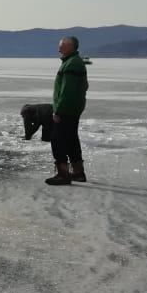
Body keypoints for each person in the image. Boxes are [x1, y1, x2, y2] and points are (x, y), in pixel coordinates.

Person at [45, 36, 89, 185]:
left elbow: (67, 91)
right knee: (71, 140)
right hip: (73, 108)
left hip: (67, 110)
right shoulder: (73, 62)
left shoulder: (72, 64)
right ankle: (78, 173)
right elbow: (84, 86)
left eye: (62, 46)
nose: (59, 49)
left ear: (71, 47)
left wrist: (58, 110)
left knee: (57, 140)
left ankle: (63, 174)